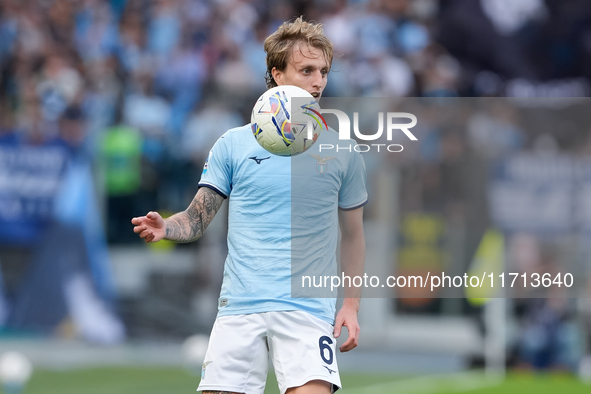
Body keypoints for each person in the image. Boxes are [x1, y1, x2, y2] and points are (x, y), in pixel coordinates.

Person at [132, 16, 367, 394]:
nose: (318, 80)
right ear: (277, 74)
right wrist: (166, 228)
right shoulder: (232, 144)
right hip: (240, 308)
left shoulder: (342, 150)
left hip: (307, 312)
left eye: (323, 70)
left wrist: (351, 306)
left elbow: (354, 237)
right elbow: (196, 219)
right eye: (306, 70)